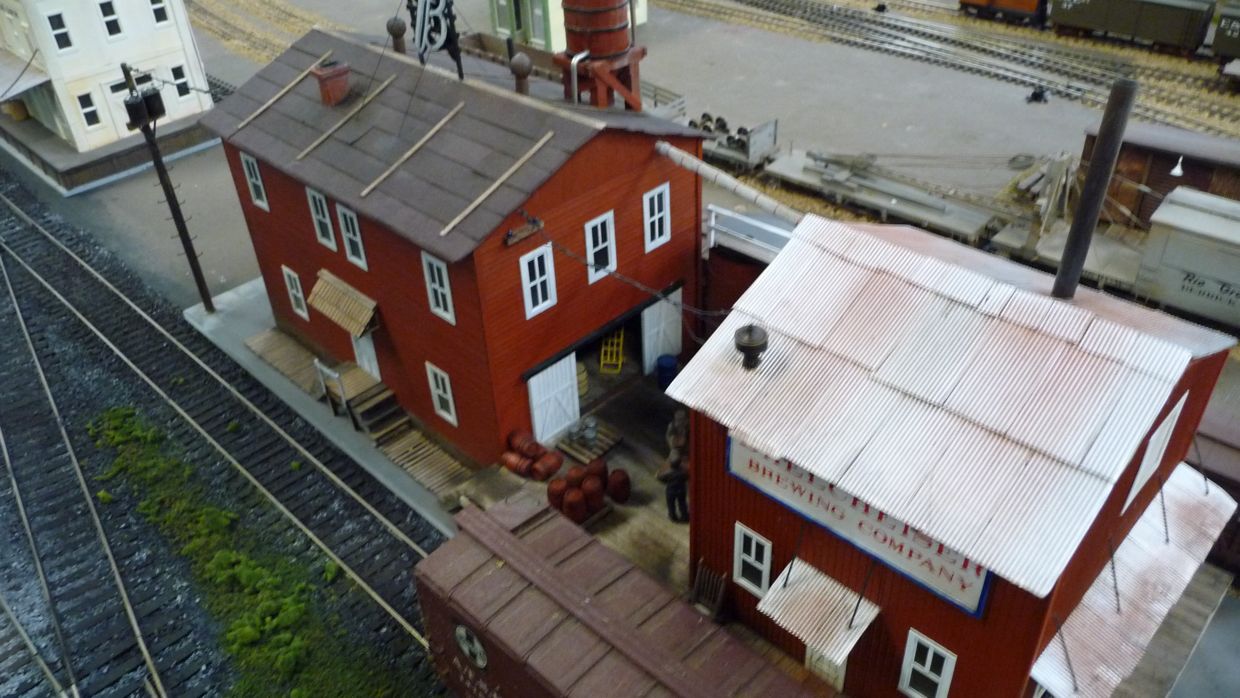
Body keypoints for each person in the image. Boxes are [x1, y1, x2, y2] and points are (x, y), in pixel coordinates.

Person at [660, 447, 689, 523]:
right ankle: (684, 516)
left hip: (671, 491)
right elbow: (687, 477)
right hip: (681, 490)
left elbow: (661, 478)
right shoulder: (683, 473)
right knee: (682, 504)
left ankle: (673, 517)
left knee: (671, 505)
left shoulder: (668, 473)